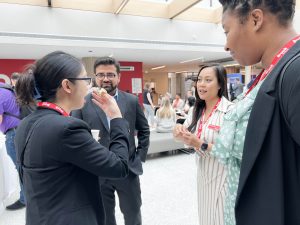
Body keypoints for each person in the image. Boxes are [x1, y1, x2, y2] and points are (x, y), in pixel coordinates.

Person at [14, 51, 130, 225]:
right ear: (67, 85)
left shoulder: (26, 123)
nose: (89, 86)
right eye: (85, 79)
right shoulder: (67, 128)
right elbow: (119, 167)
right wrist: (116, 118)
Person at [212, 1, 300, 225]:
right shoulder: (271, 72)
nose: (226, 45)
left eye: (227, 30)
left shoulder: (295, 72)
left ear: (255, 19)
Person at [72, 56, 150, 225]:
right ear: (95, 77)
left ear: (118, 77)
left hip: (128, 170)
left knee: (133, 214)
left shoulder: (131, 101)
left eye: (110, 74)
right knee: (105, 218)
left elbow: (144, 130)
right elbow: (76, 134)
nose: (105, 78)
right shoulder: (82, 103)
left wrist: (139, 157)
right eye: (101, 75)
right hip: (97, 171)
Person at [173, 63, 233, 225]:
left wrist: (199, 143)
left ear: (220, 84)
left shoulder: (230, 112)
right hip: (203, 176)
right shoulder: (195, 110)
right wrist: (178, 131)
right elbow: (184, 135)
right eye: (199, 80)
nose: (201, 84)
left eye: (208, 80)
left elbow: (230, 152)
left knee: (221, 219)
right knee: (205, 219)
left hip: (224, 180)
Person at [0, 82, 26, 210]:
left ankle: (24, 199)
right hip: (21, 130)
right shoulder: (7, 89)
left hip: (13, 134)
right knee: (24, 167)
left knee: (21, 168)